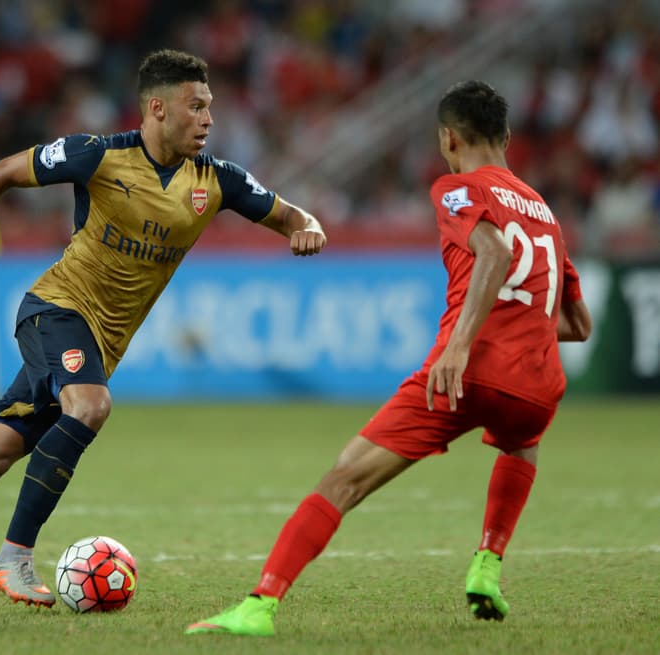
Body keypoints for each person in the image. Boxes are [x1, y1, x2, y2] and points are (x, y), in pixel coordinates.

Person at [0, 48, 327, 615]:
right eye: (197, 107)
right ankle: (13, 558)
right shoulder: (96, 155)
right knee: (90, 405)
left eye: (210, 107)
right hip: (54, 310)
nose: (209, 120)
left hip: (98, 344)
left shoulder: (215, 181)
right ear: (158, 109)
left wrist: (306, 227)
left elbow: (293, 215)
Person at [185, 80, 592, 637]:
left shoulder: (457, 188)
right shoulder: (546, 213)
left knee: (343, 479)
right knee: (523, 439)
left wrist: (460, 345)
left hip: (467, 371)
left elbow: (493, 251)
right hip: (538, 386)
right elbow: (576, 322)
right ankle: (488, 565)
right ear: (507, 137)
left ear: (449, 138)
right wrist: (523, 335)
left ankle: (259, 605)